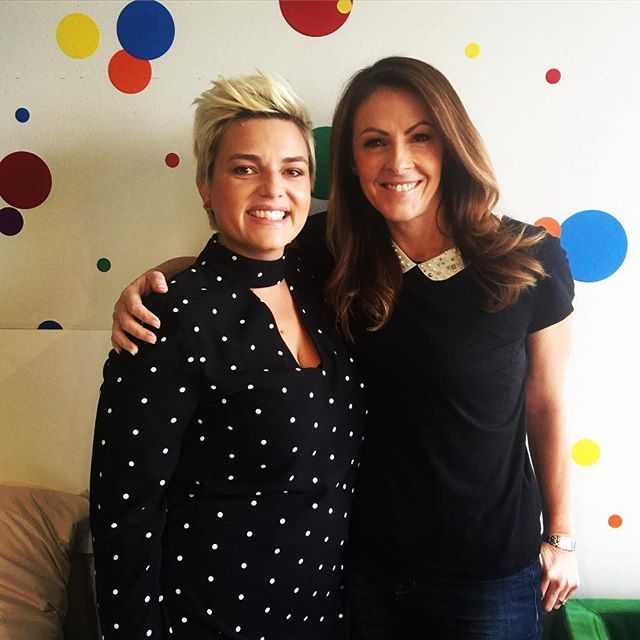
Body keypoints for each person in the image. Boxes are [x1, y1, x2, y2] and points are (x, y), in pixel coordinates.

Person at [111, 57, 579, 639]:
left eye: (421, 137)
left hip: (486, 573)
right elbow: (247, 255)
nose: (398, 162)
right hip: (360, 569)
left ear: (452, 144)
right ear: (352, 162)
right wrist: (160, 280)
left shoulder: (528, 259)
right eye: (374, 142)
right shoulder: (331, 252)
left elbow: (547, 402)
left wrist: (561, 536)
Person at [90, 72, 367, 640]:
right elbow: (125, 513)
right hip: (210, 620)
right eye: (245, 169)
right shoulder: (169, 317)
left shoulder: (322, 283)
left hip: (323, 617)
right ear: (205, 187)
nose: (273, 189)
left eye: (293, 170)